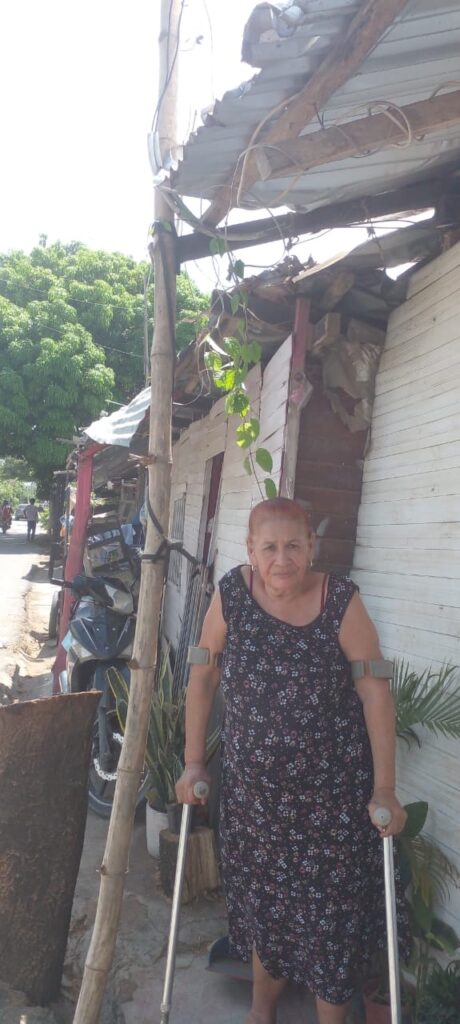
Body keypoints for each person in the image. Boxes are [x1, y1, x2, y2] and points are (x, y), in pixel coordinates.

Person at [176, 497, 409, 1024]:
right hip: (256, 806)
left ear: (311, 547)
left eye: (293, 546)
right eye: (269, 548)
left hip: (333, 807)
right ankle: (262, 1015)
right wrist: (193, 762)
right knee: (268, 917)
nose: (282, 559)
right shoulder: (232, 595)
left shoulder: (340, 601)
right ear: (250, 550)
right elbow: (204, 673)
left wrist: (385, 789)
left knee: (330, 929)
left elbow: (375, 691)